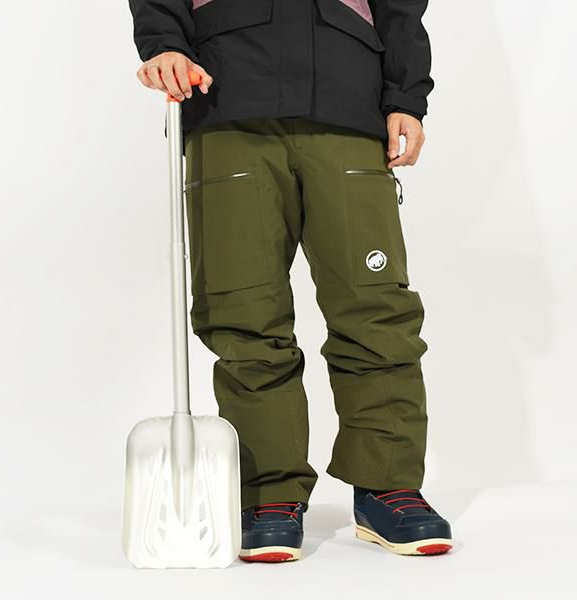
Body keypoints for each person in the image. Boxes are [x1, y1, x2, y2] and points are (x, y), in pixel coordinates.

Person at [128, 0, 453, 562]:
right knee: (243, 312)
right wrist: (165, 44)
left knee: (374, 308)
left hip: (347, 98)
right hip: (227, 96)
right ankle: (268, 493)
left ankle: (388, 484)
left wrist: (405, 96)